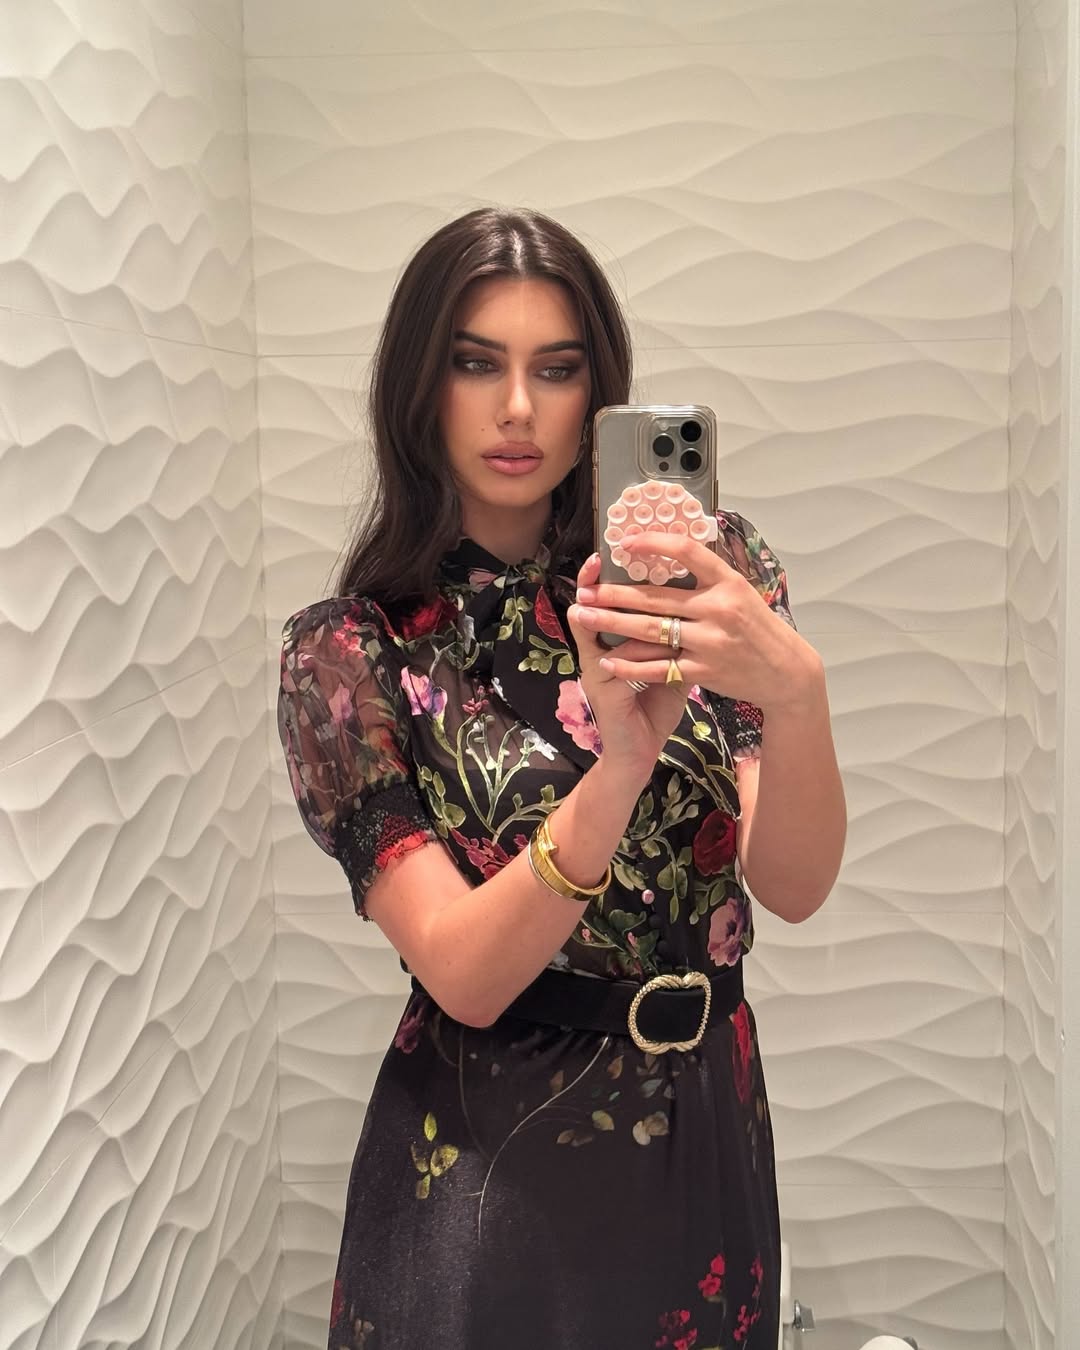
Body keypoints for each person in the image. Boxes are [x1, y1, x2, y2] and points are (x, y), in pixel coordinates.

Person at [276, 205, 846, 1350]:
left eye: (557, 368)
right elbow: (464, 975)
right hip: (491, 1162)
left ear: (600, 392)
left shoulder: (705, 575)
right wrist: (619, 769)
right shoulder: (356, 653)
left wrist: (799, 694)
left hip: (707, 1124)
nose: (519, 408)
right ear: (418, 387)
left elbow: (791, 886)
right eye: (475, 363)